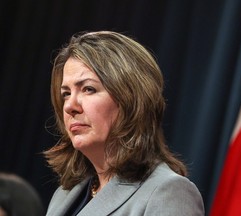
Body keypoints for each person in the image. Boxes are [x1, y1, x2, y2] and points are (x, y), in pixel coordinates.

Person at [44, 31, 204, 216]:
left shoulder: (168, 192)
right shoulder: (64, 195)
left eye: (88, 89)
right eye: (66, 94)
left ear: (130, 99)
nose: (70, 106)